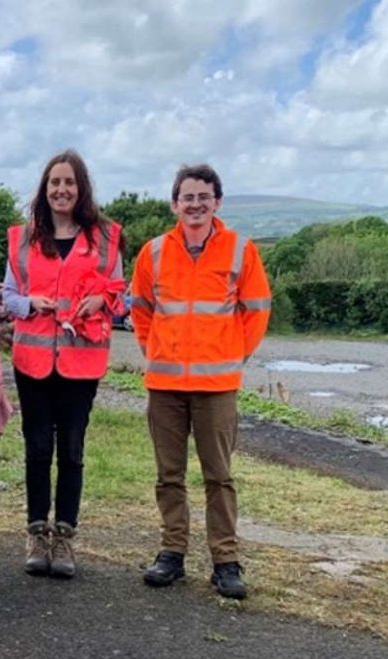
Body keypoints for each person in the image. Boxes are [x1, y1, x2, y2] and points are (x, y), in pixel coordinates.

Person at [130, 163, 271, 600]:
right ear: (175, 204)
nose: (195, 205)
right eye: (187, 197)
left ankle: (225, 561)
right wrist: (156, 352)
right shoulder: (153, 252)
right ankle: (172, 553)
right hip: (166, 385)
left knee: (219, 476)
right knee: (169, 475)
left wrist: (233, 355)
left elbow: (257, 310)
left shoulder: (240, 250)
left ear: (217, 203)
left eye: (203, 197)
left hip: (217, 387)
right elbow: (139, 309)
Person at [3, 150, 124, 579]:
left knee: (71, 450)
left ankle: (65, 538)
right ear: (44, 188)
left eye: (69, 182)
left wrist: (102, 300)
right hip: (33, 362)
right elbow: (9, 296)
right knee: (37, 448)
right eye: (54, 182)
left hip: (81, 364)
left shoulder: (107, 239)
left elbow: (121, 297)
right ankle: (37, 533)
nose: (61, 190)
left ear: (81, 187)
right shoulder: (22, 238)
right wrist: (30, 301)